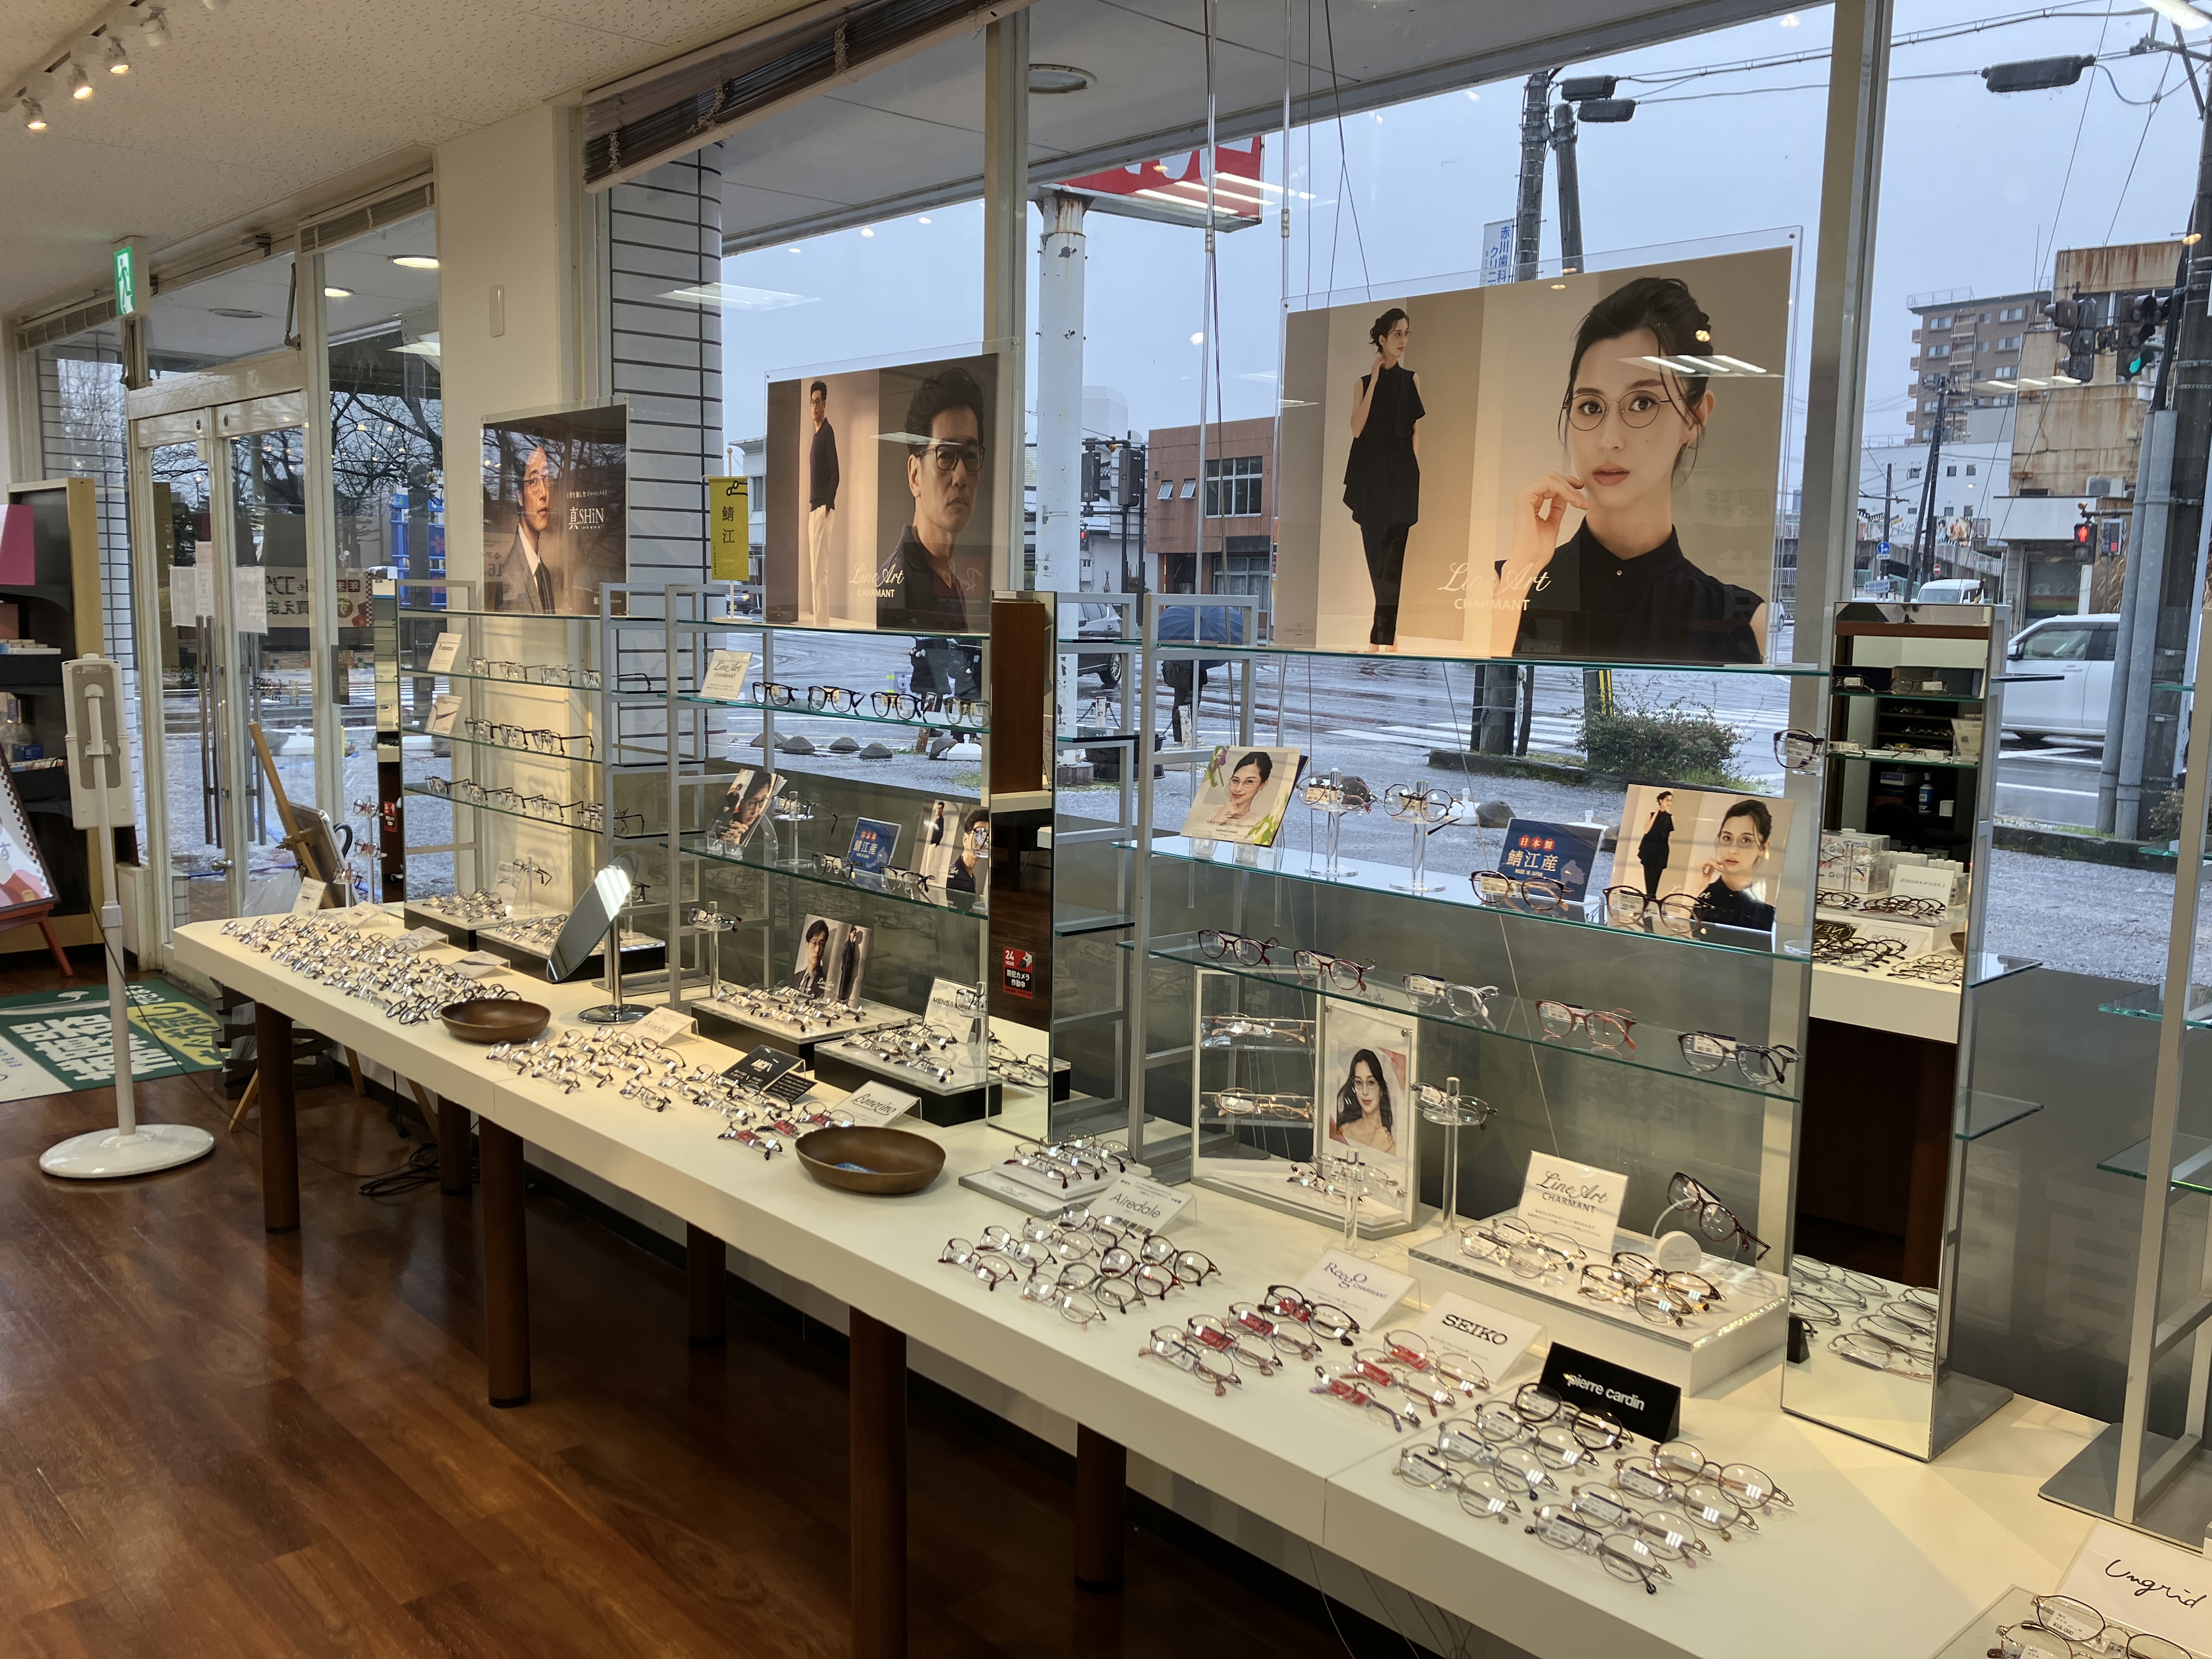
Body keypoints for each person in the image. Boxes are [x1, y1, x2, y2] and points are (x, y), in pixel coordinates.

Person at [1495, 276, 1764, 664]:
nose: (1609, 440)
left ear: (1695, 417)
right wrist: (1519, 575)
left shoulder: (1743, 622)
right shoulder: (1504, 587)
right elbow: (1482, 693)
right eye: (1591, 406)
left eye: (1642, 403)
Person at [878, 367, 985, 633]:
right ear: (915, 475)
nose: (961, 477)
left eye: (970, 455)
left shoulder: (951, 581)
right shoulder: (897, 582)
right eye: (946, 455)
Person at [1344, 307, 1424, 652]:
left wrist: (1411, 471)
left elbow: (1415, 431)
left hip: (1401, 480)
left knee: (1394, 563)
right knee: (1377, 561)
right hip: (1371, 482)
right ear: (1382, 339)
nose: (1403, 341)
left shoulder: (1412, 380)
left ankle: (1382, 640)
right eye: (1397, 334)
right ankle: (1385, 637)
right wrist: (1375, 381)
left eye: (1406, 334)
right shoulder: (1364, 383)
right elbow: (1356, 428)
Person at [484, 442, 558, 613]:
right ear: (520, 496)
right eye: (534, 481)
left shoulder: (542, 571)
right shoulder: (511, 577)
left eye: (546, 477)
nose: (544, 493)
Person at [1691, 798, 1776, 933]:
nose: (1732, 850)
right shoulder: (1703, 896)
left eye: (1746, 840)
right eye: (1727, 838)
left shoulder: (1767, 914)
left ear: (1763, 847)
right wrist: (1696, 891)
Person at [807, 380, 839, 620]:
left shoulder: (827, 432)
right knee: (815, 573)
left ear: (825, 404)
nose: (815, 407)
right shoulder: (817, 435)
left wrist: (827, 505)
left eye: (818, 402)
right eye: (812, 402)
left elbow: (835, 473)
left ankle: (822, 623)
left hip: (822, 509)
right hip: (815, 509)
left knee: (820, 573)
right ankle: (820, 622)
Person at [1329, 1049, 1398, 1155]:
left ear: (1381, 1089)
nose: (1365, 1092)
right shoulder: (1345, 1131)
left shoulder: (1393, 1141)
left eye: (1371, 1083)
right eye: (1359, 1082)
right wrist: (1374, 1148)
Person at [1207, 751, 1273, 832]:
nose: (1238, 789)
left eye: (1249, 782)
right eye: (1235, 780)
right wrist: (1218, 818)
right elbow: (1198, 838)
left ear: (1262, 785)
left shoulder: (1262, 824)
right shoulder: (1207, 810)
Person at [1635, 789, 1675, 899]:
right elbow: (1646, 830)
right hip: (1649, 848)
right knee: (1648, 875)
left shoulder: (1670, 817)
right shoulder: (1651, 814)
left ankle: (1651, 899)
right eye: (1667, 800)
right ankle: (1649, 898)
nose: (1669, 803)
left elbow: (1668, 836)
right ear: (1661, 801)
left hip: (1661, 849)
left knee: (1656, 877)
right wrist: (1656, 814)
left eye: (1671, 801)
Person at [944, 807, 989, 896]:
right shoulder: (957, 878)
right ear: (965, 839)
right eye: (979, 835)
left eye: (986, 838)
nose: (982, 842)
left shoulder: (969, 875)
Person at [792, 918, 832, 997]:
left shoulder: (825, 984)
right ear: (807, 946)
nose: (817, 950)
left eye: (821, 944)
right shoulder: (796, 977)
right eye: (814, 943)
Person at [833, 923, 866, 1005]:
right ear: (850, 934)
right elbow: (843, 954)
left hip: (850, 967)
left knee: (848, 982)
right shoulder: (847, 943)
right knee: (843, 982)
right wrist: (844, 964)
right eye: (853, 933)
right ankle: (841, 996)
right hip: (846, 966)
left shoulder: (853, 944)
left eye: (855, 933)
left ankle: (845, 997)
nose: (854, 935)